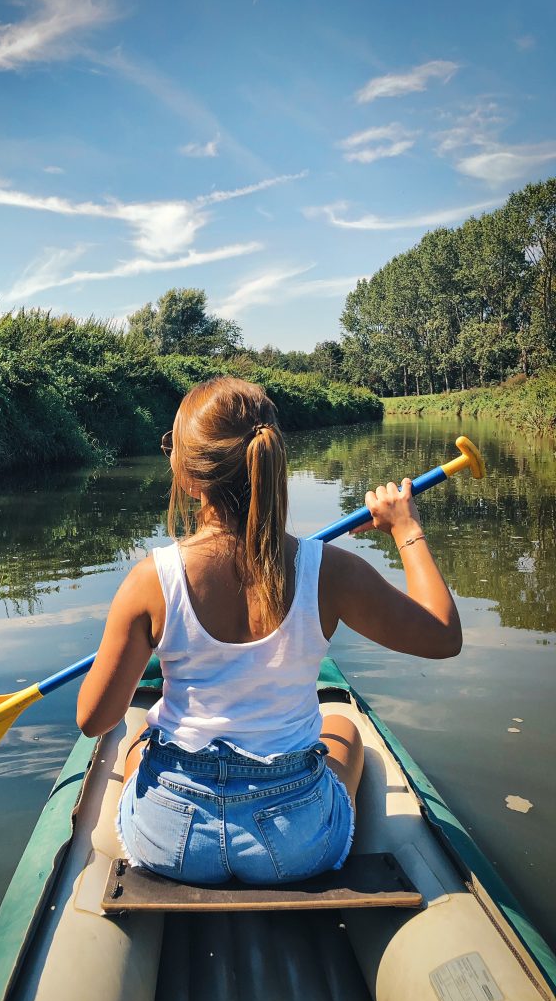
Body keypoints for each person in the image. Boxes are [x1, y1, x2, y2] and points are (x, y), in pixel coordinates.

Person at [77, 377, 461, 885]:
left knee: (141, 731)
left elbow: (95, 718)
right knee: (344, 729)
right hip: (291, 842)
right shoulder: (331, 571)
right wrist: (405, 528)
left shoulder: (151, 579)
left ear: (190, 476)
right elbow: (442, 635)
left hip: (172, 837)